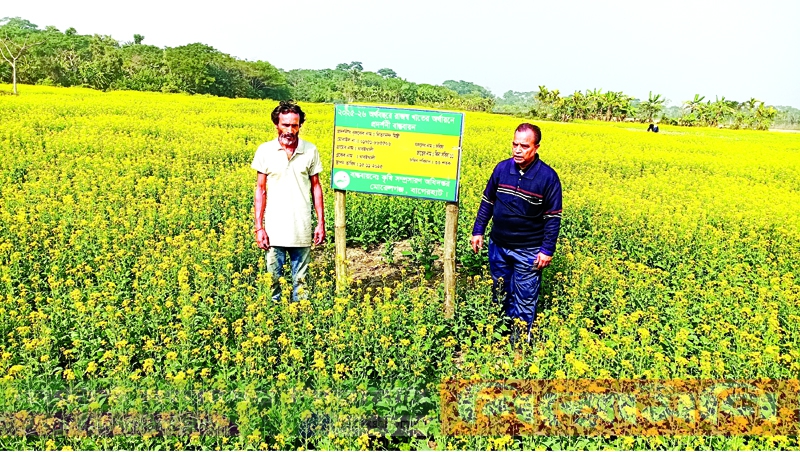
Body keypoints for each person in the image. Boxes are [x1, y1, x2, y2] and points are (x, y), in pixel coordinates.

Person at [471, 123, 562, 342]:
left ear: (536, 147)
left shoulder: (548, 177)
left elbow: (553, 217)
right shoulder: (502, 169)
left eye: (524, 146)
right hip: (498, 245)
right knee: (500, 291)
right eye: (515, 144)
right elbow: (488, 201)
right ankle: (499, 337)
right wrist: (478, 230)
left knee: (525, 297)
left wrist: (547, 250)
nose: (517, 150)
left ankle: (519, 344)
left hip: (528, 249)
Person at [252, 101, 325, 301]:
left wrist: (320, 224)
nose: (290, 130)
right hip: (274, 229)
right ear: (276, 124)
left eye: (295, 125)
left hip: (301, 228)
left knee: (301, 284)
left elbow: (316, 187)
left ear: (300, 125)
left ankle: (299, 321)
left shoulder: (310, 150)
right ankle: (274, 320)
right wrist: (259, 228)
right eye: (285, 125)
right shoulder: (265, 151)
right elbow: (260, 190)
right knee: (273, 281)